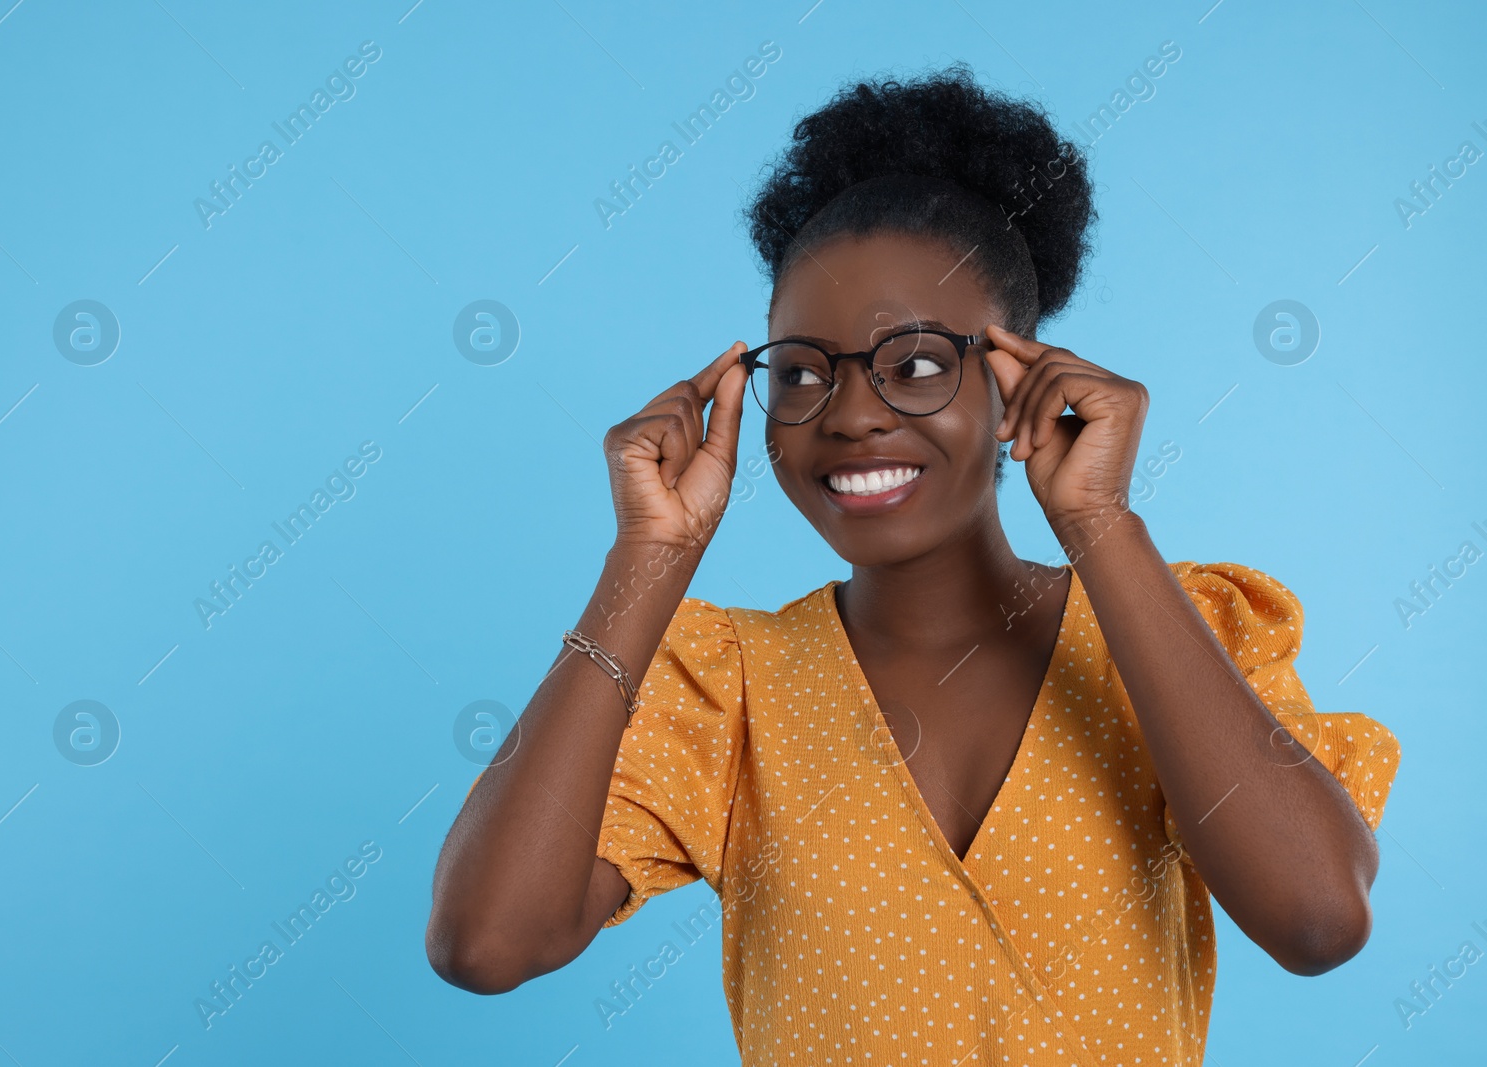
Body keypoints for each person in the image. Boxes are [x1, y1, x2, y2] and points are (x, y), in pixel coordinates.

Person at [426, 65, 1401, 1064]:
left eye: (919, 362)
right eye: (801, 371)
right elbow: (486, 940)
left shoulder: (1169, 635)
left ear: (1018, 375)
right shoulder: (728, 690)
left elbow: (1317, 918)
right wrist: (647, 557)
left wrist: (1101, 522)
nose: (848, 413)